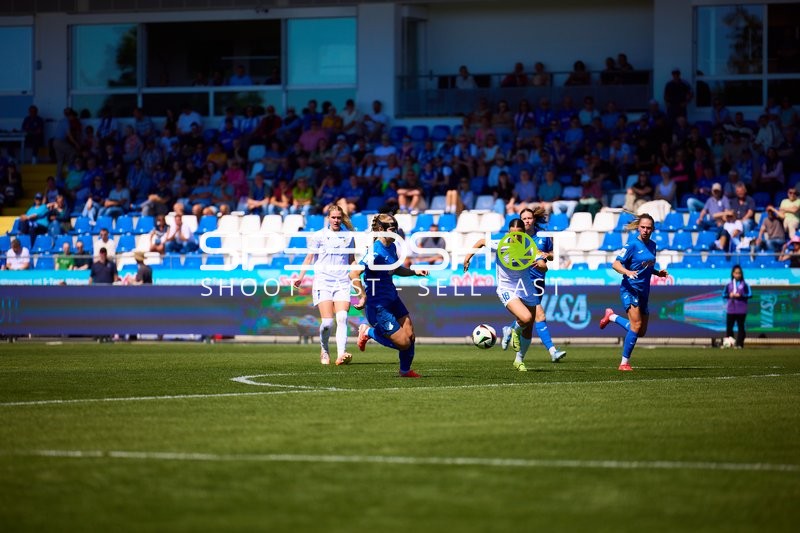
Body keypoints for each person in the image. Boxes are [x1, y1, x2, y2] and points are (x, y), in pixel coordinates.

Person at [351, 213, 428, 378]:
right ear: (381, 229)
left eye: (396, 229)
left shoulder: (391, 247)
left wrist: (414, 272)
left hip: (393, 298)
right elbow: (353, 273)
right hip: (378, 305)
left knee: (410, 336)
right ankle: (368, 332)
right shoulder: (375, 252)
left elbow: (395, 268)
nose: (396, 233)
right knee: (404, 343)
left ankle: (405, 371)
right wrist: (362, 296)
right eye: (393, 229)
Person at [599, 214, 669, 371]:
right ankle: (624, 363)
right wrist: (627, 271)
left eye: (648, 228)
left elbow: (646, 266)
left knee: (640, 331)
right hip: (630, 289)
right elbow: (615, 264)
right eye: (643, 227)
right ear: (638, 227)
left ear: (653, 229)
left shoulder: (653, 245)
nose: (645, 230)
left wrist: (657, 273)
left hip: (644, 292)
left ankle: (611, 316)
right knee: (636, 325)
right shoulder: (631, 245)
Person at [293, 205, 356, 366]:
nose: (336, 220)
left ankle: (341, 354)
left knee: (342, 317)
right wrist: (300, 277)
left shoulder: (349, 236)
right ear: (328, 218)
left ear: (342, 218)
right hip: (323, 282)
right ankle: (324, 348)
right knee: (327, 323)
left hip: (342, 282)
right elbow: (309, 258)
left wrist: (357, 278)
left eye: (339, 217)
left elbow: (351, 260)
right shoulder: (318, 236)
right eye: (333, 217)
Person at [722, 264, 751, 349]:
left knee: (741, 327)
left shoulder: (745, 285)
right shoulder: (729, 285)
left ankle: (739, 344)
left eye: (739, 273)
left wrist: (741, 295)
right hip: (731, 309)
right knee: (729, 327)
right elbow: (723, 294)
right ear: (733, 274)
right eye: (736, 273)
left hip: (741, 309)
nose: (737, 275)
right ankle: (729, 344)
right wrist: (729, 295)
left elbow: (750, 294)